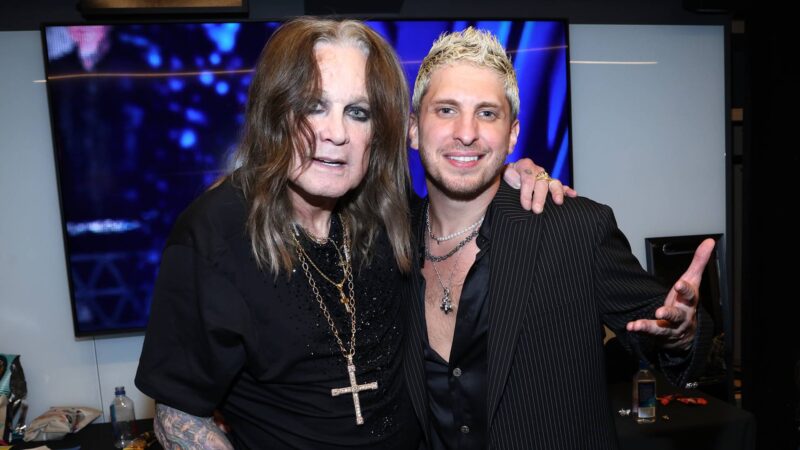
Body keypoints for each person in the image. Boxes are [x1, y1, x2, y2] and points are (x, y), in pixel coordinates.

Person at [134, 18, 570, 449]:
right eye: (313, 106)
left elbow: (461, 214)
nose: (336, 133)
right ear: (275, 112)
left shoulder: (387, 209)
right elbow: (179, 412)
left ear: (377, 132)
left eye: (357, 112)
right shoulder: (214, 234)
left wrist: (510, 176)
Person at [402, 27, 715, 450]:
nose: (467, 132)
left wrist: (681, 332)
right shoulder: (384, 245)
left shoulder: (575, 229)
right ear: (414, 129)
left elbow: (661, 331)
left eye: (487, 113)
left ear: (512, 135)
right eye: (445, 110)